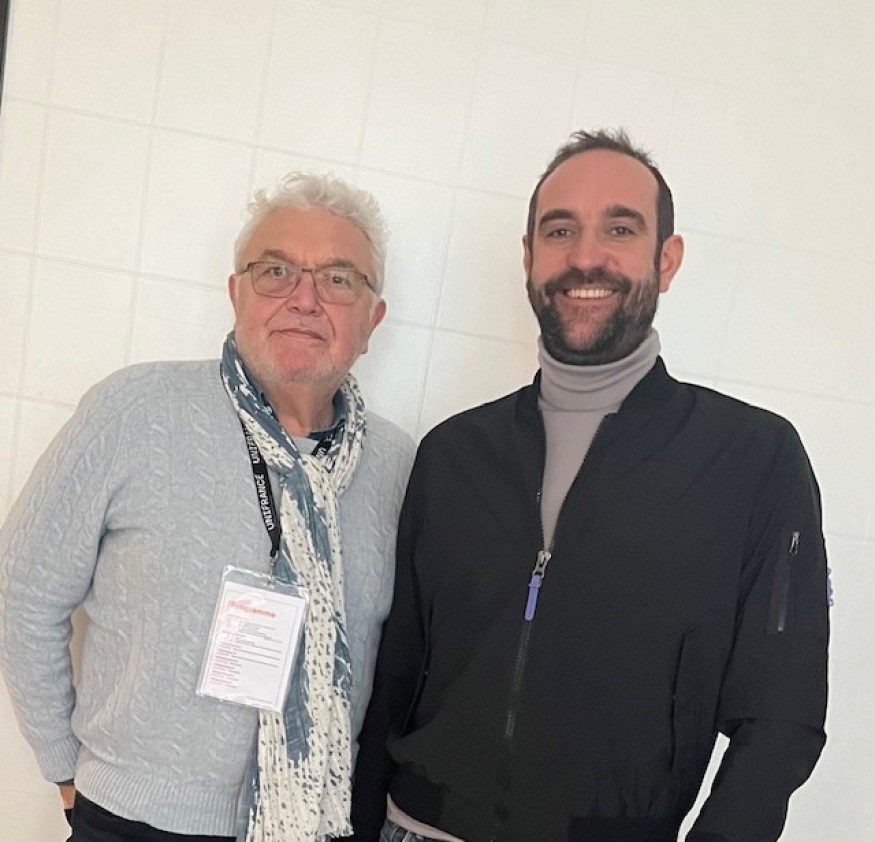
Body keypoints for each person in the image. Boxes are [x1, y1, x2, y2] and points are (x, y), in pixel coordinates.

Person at [350, 130, 829, 842]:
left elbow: (781, 714)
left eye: (620, 228)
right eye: (560, 230)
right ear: (528, 257)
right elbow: (392, 678)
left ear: (666, 260)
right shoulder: (452, 454)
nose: (584, 256)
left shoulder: (753, 459)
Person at [0, 172, 415, 842]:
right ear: (235, 294)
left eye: (339, 279)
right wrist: (63, 766)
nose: (304, 299)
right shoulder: (136, 410)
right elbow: (23, 590)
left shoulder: (399, 466)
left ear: (373, 319)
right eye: (275, 271)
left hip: (317, 826)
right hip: (132, 822)